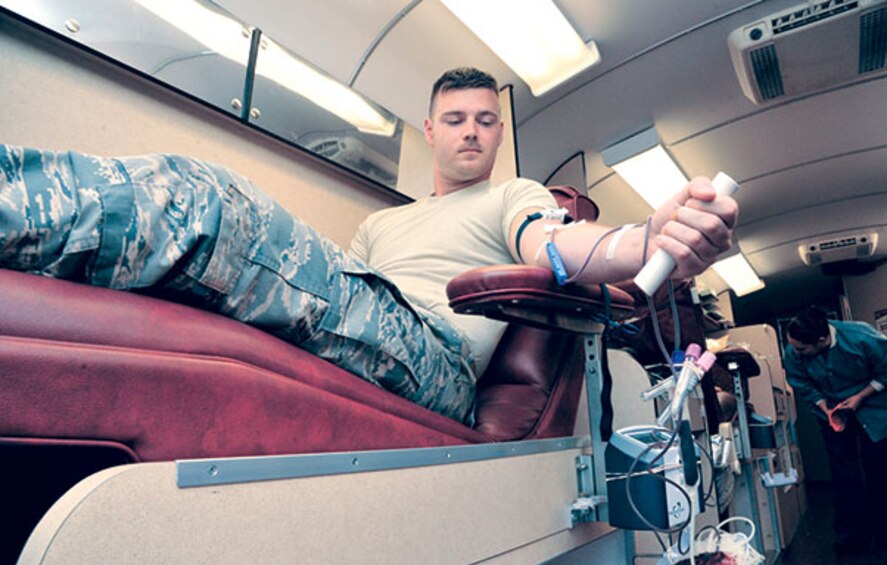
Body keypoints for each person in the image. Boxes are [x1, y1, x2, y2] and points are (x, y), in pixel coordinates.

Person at [0, 67, 738, 426]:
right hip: (374, 324)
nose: (472, 131)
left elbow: (559, 246)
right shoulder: (382, 225)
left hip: (437, 358)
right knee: (196, 260)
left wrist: (645, 238)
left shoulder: (513, 194)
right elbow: (338, 302)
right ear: (430, 131)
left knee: (204, 202)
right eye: (454, 119)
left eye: (485, 119)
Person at [783, 305, 887, 555]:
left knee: (879, 470)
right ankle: (852, 535)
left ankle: (883, 533)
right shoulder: (794, 349)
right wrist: (824, 405)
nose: (795, 352)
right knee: (844, 473)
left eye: (801, 349)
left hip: (873, 408)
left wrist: (860, 397)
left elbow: (885, 371)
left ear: (822, 340)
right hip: (831, 410)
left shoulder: (862, 337)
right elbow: (800, 381)